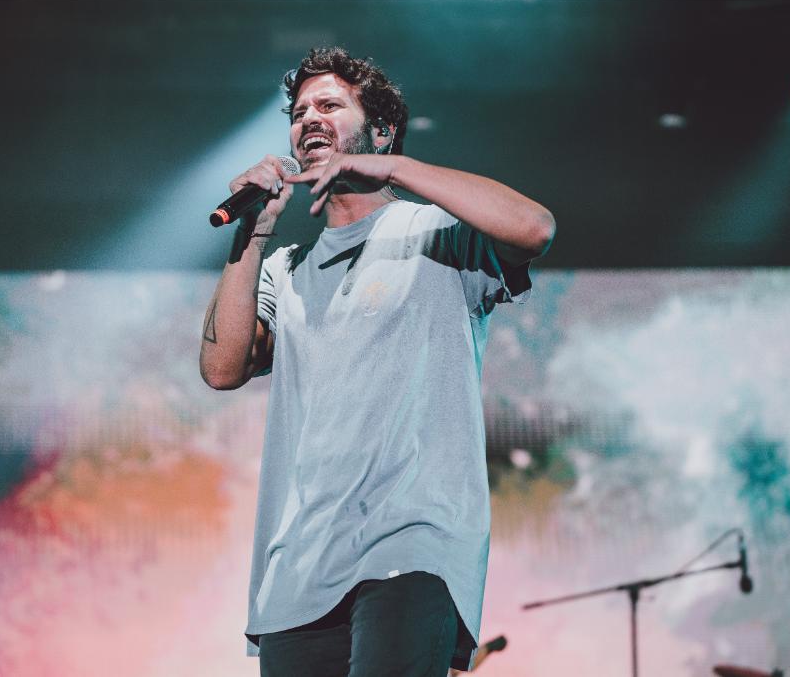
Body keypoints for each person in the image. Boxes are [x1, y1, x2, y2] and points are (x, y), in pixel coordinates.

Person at [199, 47, 555, 677]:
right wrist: (253, 231)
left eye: (330, 105)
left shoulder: (439, 232)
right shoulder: (286, 269)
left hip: (412, 544)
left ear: (382, 132)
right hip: (300, 564)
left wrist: (396, 170)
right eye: (299, 112)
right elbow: (222, 368)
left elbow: (534, 227)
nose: (309, 118)